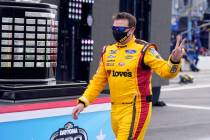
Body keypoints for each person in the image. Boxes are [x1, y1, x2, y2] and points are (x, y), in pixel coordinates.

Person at [72, 12, 185, 140]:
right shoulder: (108, 51)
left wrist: (174, 60)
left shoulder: (144, 49)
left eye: (120, 29)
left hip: (136, 108)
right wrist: (83, 102)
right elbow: (97, 81)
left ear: (131, 30)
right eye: (114, 28)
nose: (116, 31)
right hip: (115, 108)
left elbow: (166, 72)